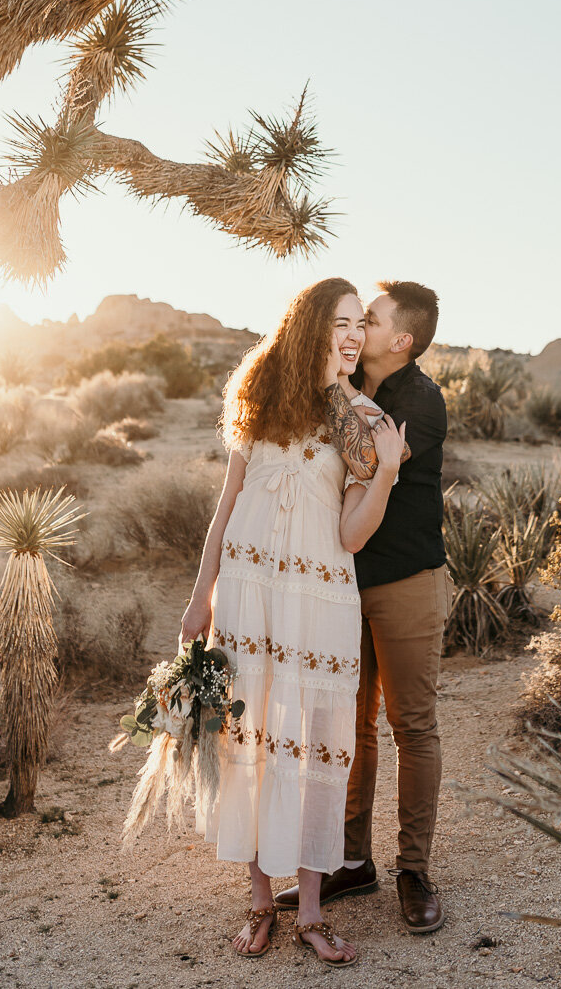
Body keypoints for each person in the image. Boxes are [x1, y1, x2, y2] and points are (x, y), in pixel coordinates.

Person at [179, 278, 406, 965]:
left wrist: (388, 472)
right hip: (248, 595)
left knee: (308, 748)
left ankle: (309, 910)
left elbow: (353, 535)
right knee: (247, 739)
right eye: (339, 322)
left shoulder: (362, 418)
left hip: (317, 599)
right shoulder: (256, 398)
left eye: (359, 325)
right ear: (309, 327)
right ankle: (258, 900)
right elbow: (226, 507)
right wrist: (200, 597)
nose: (353, 335)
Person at [275, 280, 450, 933]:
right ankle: (352, 860)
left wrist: (338, 386)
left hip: (406, 582)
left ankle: (413, 868)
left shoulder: (420, 401)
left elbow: (379, 459)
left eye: (369, 321)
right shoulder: (352, 387)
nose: (356, 329)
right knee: (349, 728)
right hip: (343, 584)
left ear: (400, 341)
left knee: (412, 725)